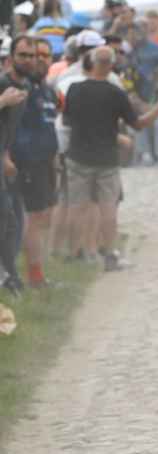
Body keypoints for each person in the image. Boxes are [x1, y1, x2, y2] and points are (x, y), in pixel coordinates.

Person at [63, 46, 158, 271]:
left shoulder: (74, 89)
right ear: (112, 65)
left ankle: (75, 254)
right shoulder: (116, 93)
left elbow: (67, 121)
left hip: (78, 155)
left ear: (90, 63)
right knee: (108, 208)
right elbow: (138, 124)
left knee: (77, 206)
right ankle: (110, 256)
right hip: (106, 158)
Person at [13, 37, 60, 289]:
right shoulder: (23, 87)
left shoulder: (47, 88)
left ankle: (37, 270)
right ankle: (34, 276)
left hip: (46, 160)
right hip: (27, 159)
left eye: (45, 55)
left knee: (44, 216)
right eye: (34, 55)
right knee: (33, 216)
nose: (39, 60)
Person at [0, 38, 30, 295]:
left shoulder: (20, 87)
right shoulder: (4, 88)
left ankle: (9, 277)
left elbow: (6, 130)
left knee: (9, 222)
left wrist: (5, 154)